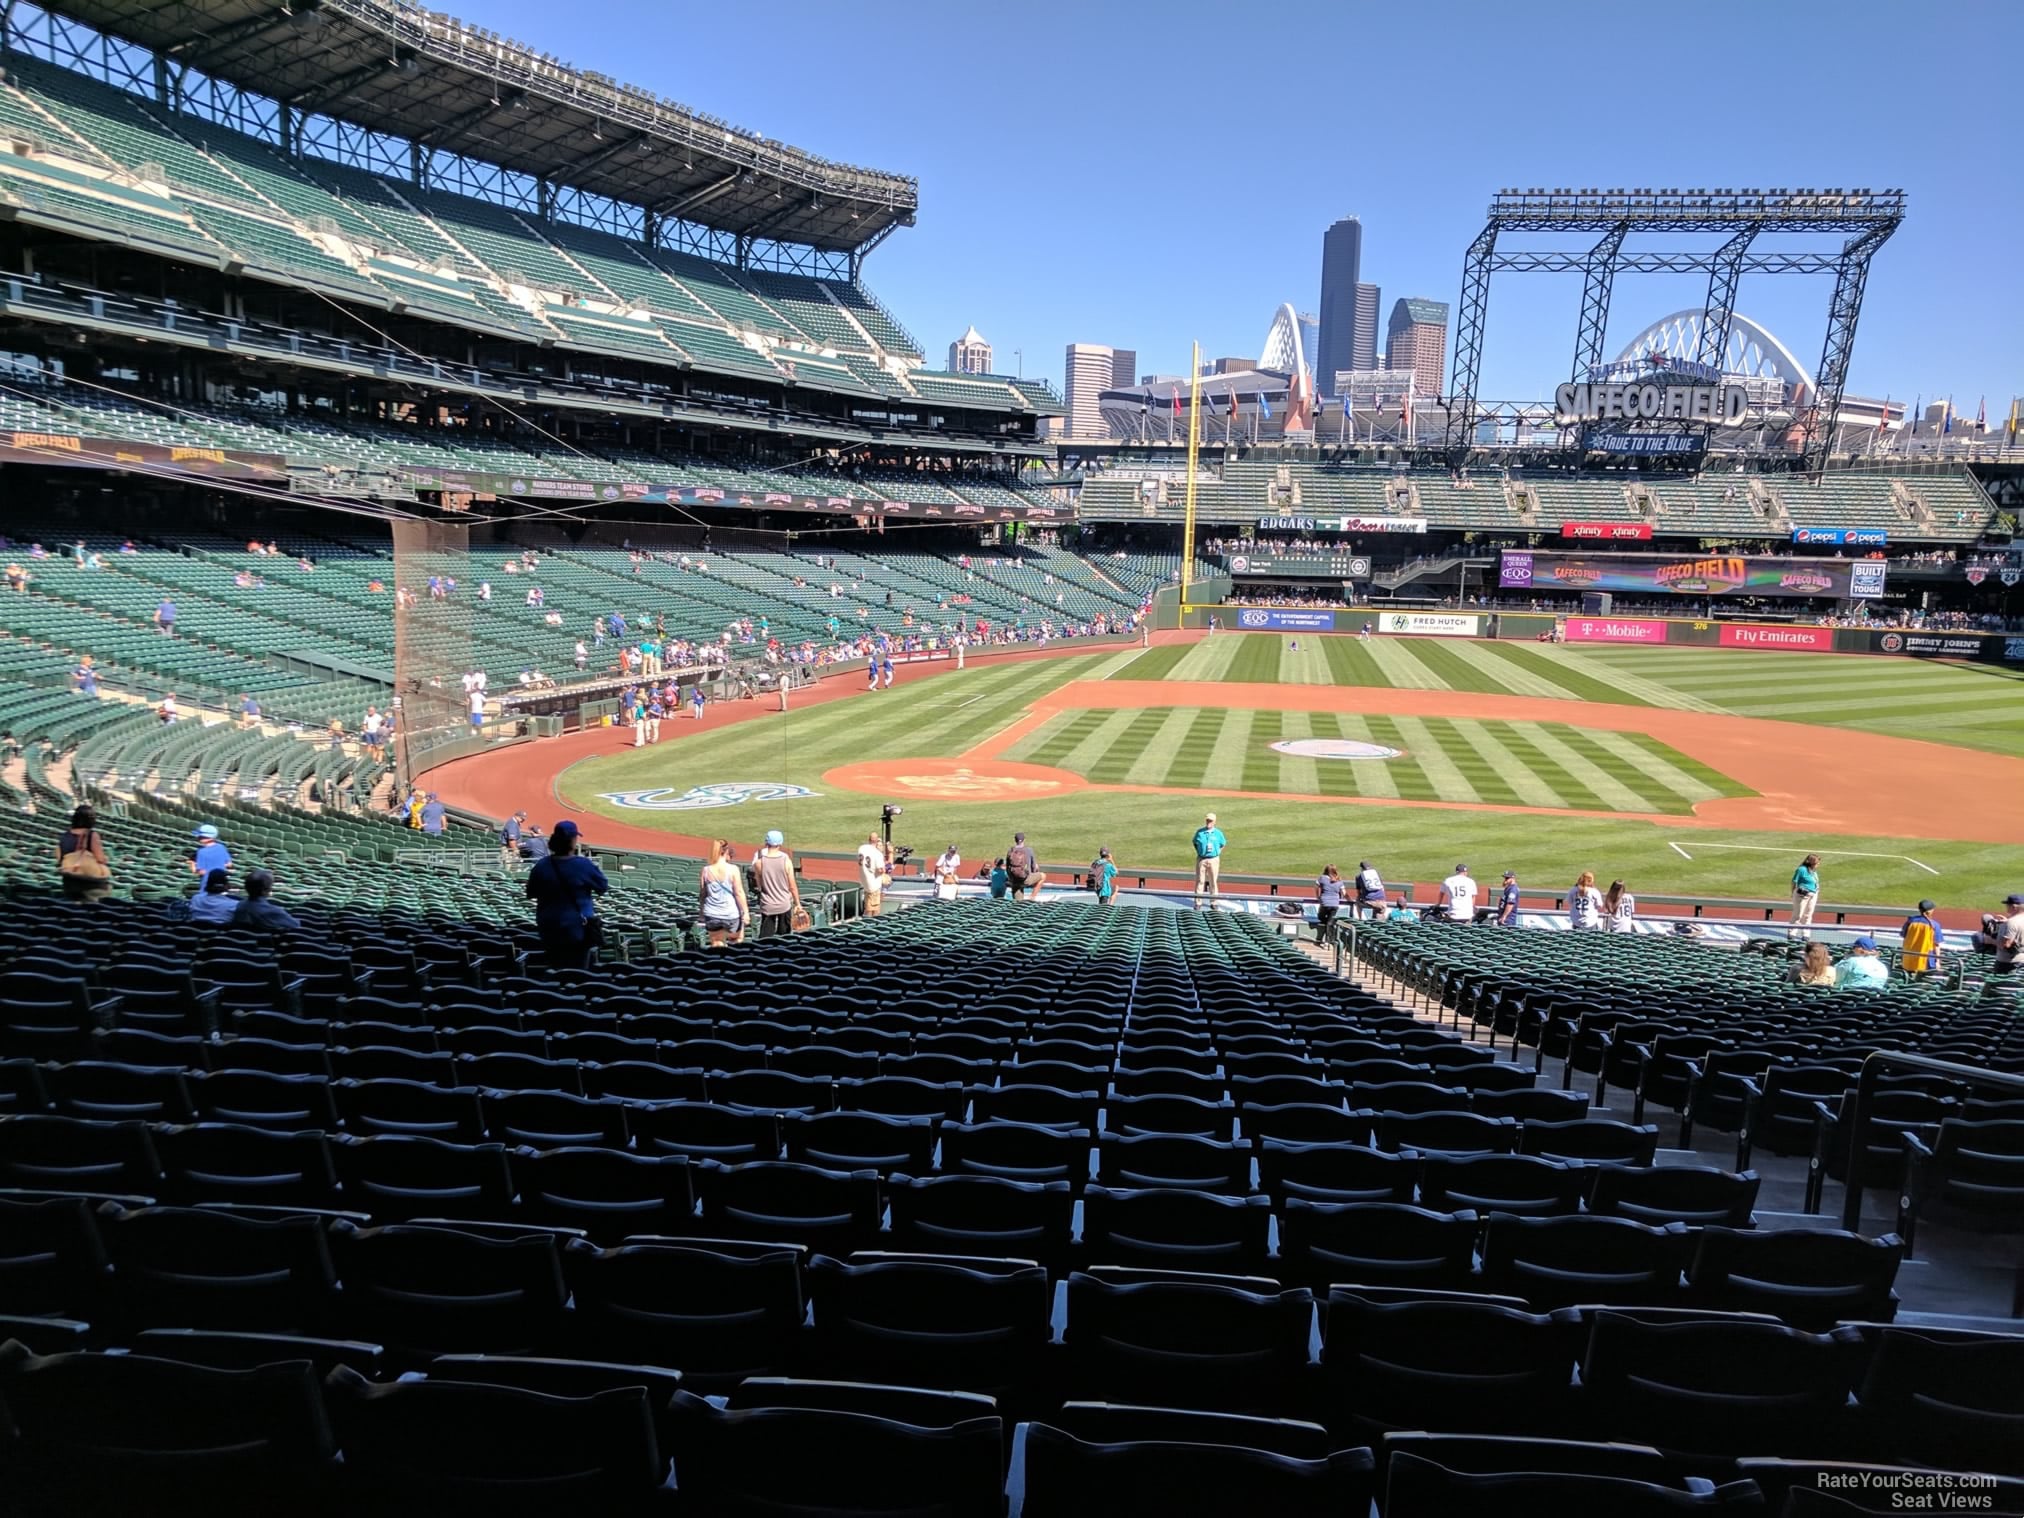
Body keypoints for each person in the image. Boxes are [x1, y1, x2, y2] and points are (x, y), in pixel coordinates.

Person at [525, 819, 608, 969]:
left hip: (548, 926)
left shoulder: (542, 865)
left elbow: (531, 893)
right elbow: (602, 887)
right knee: (579, 970)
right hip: (576, 928)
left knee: (555, 967)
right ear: (572, 841)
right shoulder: (583, 864)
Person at [699, 839, 750, 946]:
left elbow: (703, 894)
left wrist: (701, 913)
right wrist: (745, 912)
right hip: (730, 913)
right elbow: (739, 892)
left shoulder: (706, 870)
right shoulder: (733, 869)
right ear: (726, 852)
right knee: (737, 940)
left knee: (717, 943)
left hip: (712, 913)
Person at [754, 831, 803, 938]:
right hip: (784, 904)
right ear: (780, 843)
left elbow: (759, 886)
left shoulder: (758, 863)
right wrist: (798, 903)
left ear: (766, 843)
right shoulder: (786, 861)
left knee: (765, 938)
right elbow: (792, 886)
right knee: (785, 938)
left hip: (767, 904)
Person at [56, 803, 110, 899]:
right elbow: (100, 859)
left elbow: (60, 858)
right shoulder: (92, 835)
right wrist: (105, 859)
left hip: (69, 882)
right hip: (89, 883)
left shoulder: (64, 836)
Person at [228, 868, 301, 933]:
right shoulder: (274, 911)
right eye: (270, 886)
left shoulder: (240, 905)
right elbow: (296, 925)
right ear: (264, 891)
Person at [1899, 899, 1944, 977]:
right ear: (1930, 911)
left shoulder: (1910, 921)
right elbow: (1937, 944)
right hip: (1926, 959)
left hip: (1908, 957)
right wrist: (1938, 961)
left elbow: (1904, 935)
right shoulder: (1934, 925)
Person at [1981, 893, 2024, 974]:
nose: (2006, 906)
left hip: (2008, 964)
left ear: (2014, 907)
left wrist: (1990, 940)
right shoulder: (2014, 921)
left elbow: (2006, 945)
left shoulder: (2012, 923)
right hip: (2021, 961)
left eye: (2008, 905)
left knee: (2002, 985)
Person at [1192, 813, 1227, 908]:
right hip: (1201, 859)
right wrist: (1200, 852)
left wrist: (1217, 852)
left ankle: (1214, 902)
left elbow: (1223, 843)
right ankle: (1198, 902)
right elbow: (1195, 843)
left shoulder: (1218, 833)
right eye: (1207, 820)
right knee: (1200, 880)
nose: (1209, 822)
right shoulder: (1200, 832)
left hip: (1213, 859)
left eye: (1211, 821)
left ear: (1215, 822)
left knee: (1213, 881)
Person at [1789, 853, 1821, 940]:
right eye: (1817, 863)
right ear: (1811, 862)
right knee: (1798, 915)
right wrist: (1793, 892)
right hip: (1802, 895)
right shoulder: (1801, 870)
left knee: (1808, 915)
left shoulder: (1813, 871)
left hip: (1813, 895)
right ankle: (1792, 932)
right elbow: (1794, 882)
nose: (1818, 865)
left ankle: (1806, 934)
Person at [857, 833, 890, 916]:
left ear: (869, 839)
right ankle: (873, 924)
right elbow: (881, 870)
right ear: (876, 841)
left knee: (868, 905)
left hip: (865, 882)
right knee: (874, 909)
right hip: (874, 884)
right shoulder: (877, 854)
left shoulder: (861, 848)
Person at [1005, 832, 1043, 901]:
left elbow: (1007, 867)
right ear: (1024, 840)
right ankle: (1032, 897)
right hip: (1026, 879)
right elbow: (1034, 867)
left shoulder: (1010, 851)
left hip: (1014, 880)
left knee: (1018, 903)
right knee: (1043, 876)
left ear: (1015, 840)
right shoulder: (1029, 850)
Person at [1314, 864, 1343, 938]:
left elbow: (1316, 887)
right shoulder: (1339, 880)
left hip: (1325, 903)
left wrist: (1318, 896)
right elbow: (1343, 892)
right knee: (1330, 922)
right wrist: (1340, 898)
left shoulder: (1322, 878)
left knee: (1321, 917)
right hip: (1335, 904)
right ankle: (1328, 940)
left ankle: (1323, 937)